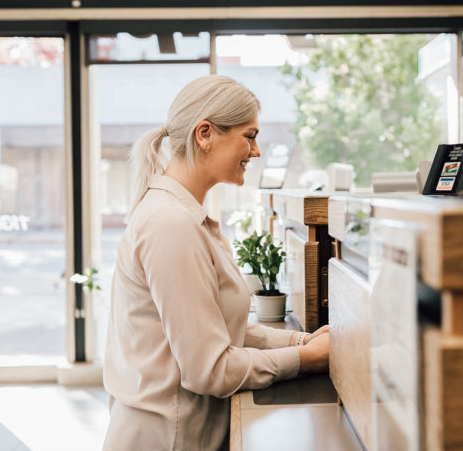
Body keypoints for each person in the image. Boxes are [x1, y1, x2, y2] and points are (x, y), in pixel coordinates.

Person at [102, 75, 330, 451]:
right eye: (249, 135)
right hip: (167, 438)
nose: (256, 151)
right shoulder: (170, 224)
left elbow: (218, 327)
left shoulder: (184, 216)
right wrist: (305, 359)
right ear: (205, 133)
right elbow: (210, 370)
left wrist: (299, 340)